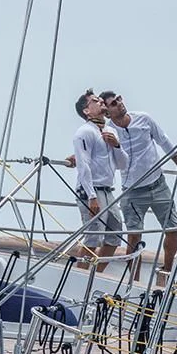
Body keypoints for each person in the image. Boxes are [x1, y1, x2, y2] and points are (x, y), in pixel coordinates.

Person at [101, 90, 177, 286]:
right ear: (107, 112)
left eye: (119, 99)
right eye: (114, 103)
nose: (119, 103)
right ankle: (134, 282)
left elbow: (164, 141)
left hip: (158, 185)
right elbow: (99, 154)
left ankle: (165, 274)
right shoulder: (108, 132)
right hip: (132, 192)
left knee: (173, 230)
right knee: (134, 238)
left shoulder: (144, 119)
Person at [69, 89, 127, 269]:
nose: (101, 102)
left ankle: (97, 273)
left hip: (108, 189)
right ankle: (81, 275)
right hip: (92, 190)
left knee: (115, 234)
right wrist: (91, 196)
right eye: (95, 101)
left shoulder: (110, 131)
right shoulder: (84, 132)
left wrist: (116, 145)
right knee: (93, 236)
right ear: (86, 110)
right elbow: (83, 165)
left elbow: (122, 163)